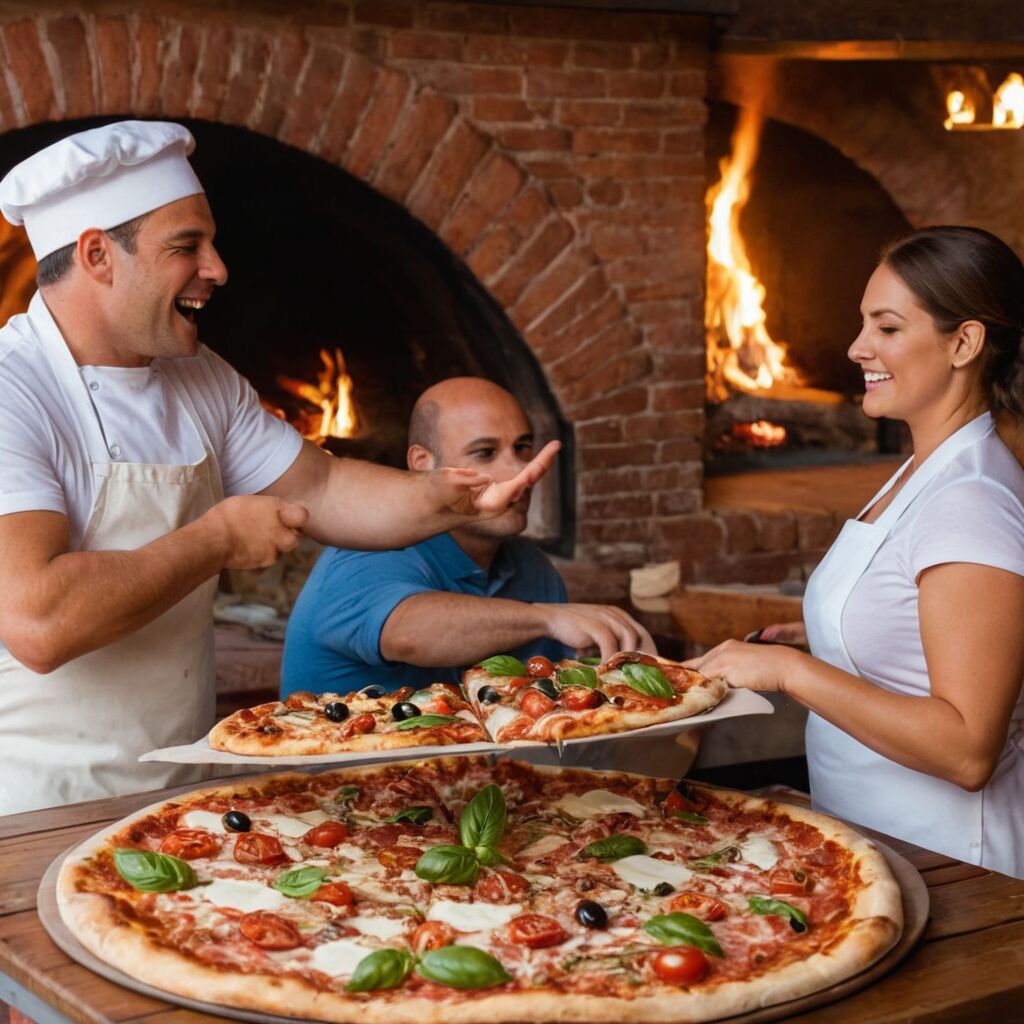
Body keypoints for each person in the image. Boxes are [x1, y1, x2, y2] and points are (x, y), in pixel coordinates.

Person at [0, 121, 557, 816]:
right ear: (97, 255)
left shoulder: (200, 378)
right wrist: (217, 540)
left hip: (175, 785)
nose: (218, 268)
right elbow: (39, 621)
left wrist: (458, 496)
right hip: (30, 804)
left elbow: (323, 487)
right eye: (187, 246)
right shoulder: (12, 391)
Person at [687, 226, 1024, 878]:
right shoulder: (924, 469)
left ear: (965, 342)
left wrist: (791, 672)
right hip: (883, 846)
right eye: (862, 323)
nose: (856, 346)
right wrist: (832, 640)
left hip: (958, 866)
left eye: (887, 328)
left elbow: (966, 750)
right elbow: (922, 632)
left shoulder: (971, 502)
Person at [281, 377, 654, 697]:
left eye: (522, 448)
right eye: (486, 452)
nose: (519, 471)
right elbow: (408, 632)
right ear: (422, 464)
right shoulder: (366, 546)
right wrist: (547, 618)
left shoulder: (533, 569)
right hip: (343, 778)